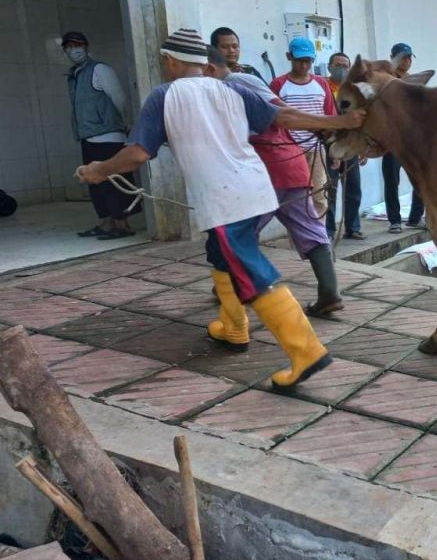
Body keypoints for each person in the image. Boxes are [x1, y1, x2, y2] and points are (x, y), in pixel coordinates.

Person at [75, 28, 365, 388]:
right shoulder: (234, 89)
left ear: (169, 61)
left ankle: (306, 352)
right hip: (255, 186)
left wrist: (99, 171)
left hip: (225, 201)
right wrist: (338, 122)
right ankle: (233, 327)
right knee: (219, 253)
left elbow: (138, 153)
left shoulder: (164, 96)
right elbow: (284, 118)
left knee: (251, 269)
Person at [205, 47, 344, 316]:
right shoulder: (227, 87)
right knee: (310, 228)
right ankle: (330, 292)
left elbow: (283, 111)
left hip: (266, 167)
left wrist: (323, 126)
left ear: (209, 67)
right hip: (291, 164)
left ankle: (232, 289)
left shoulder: (238, 81)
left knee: (235, 234)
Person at [63, 31, 138, 240]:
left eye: (77, 45)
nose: (73, 50)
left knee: (114, 181)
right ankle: (106, 223)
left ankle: (123, 224)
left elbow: (119, 98)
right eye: (68, 47)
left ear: (86, 47)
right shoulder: (74, 75)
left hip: (108, 136)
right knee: (95, 181)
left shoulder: (99, 69)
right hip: (88, 136)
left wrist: (124, 125)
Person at [271, 37, 335, 219]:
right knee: (295, 199)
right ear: (289, 57)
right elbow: (273, 118)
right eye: (300, 61)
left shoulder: (322, 84)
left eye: (308, 61)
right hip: (290, 150)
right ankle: (300, 242)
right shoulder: (279, 84)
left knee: (320, 196)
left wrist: (333, 150)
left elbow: (329, 117)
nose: (305, 65)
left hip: (317, 149)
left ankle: (320, 239)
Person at [382, 42, 425, 233]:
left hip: (412, 138)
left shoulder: (414, 80)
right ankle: (394, 220)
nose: (407, 61)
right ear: (394, 58)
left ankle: (415, 217)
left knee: (420, 178)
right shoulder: (385, 80)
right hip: (392, 137)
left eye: (409, 57)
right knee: (392, 180)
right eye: (403, 57)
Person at [327, 51, 365, 239]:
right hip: (330, 143)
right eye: (338, 65)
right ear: (329, 67)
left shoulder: (354, 90)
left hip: (351, 144)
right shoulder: (323, 86)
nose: (342, 69)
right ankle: (329, 230)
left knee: (353, 188)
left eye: (345, 66)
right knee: (330, 189)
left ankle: (353, 227)